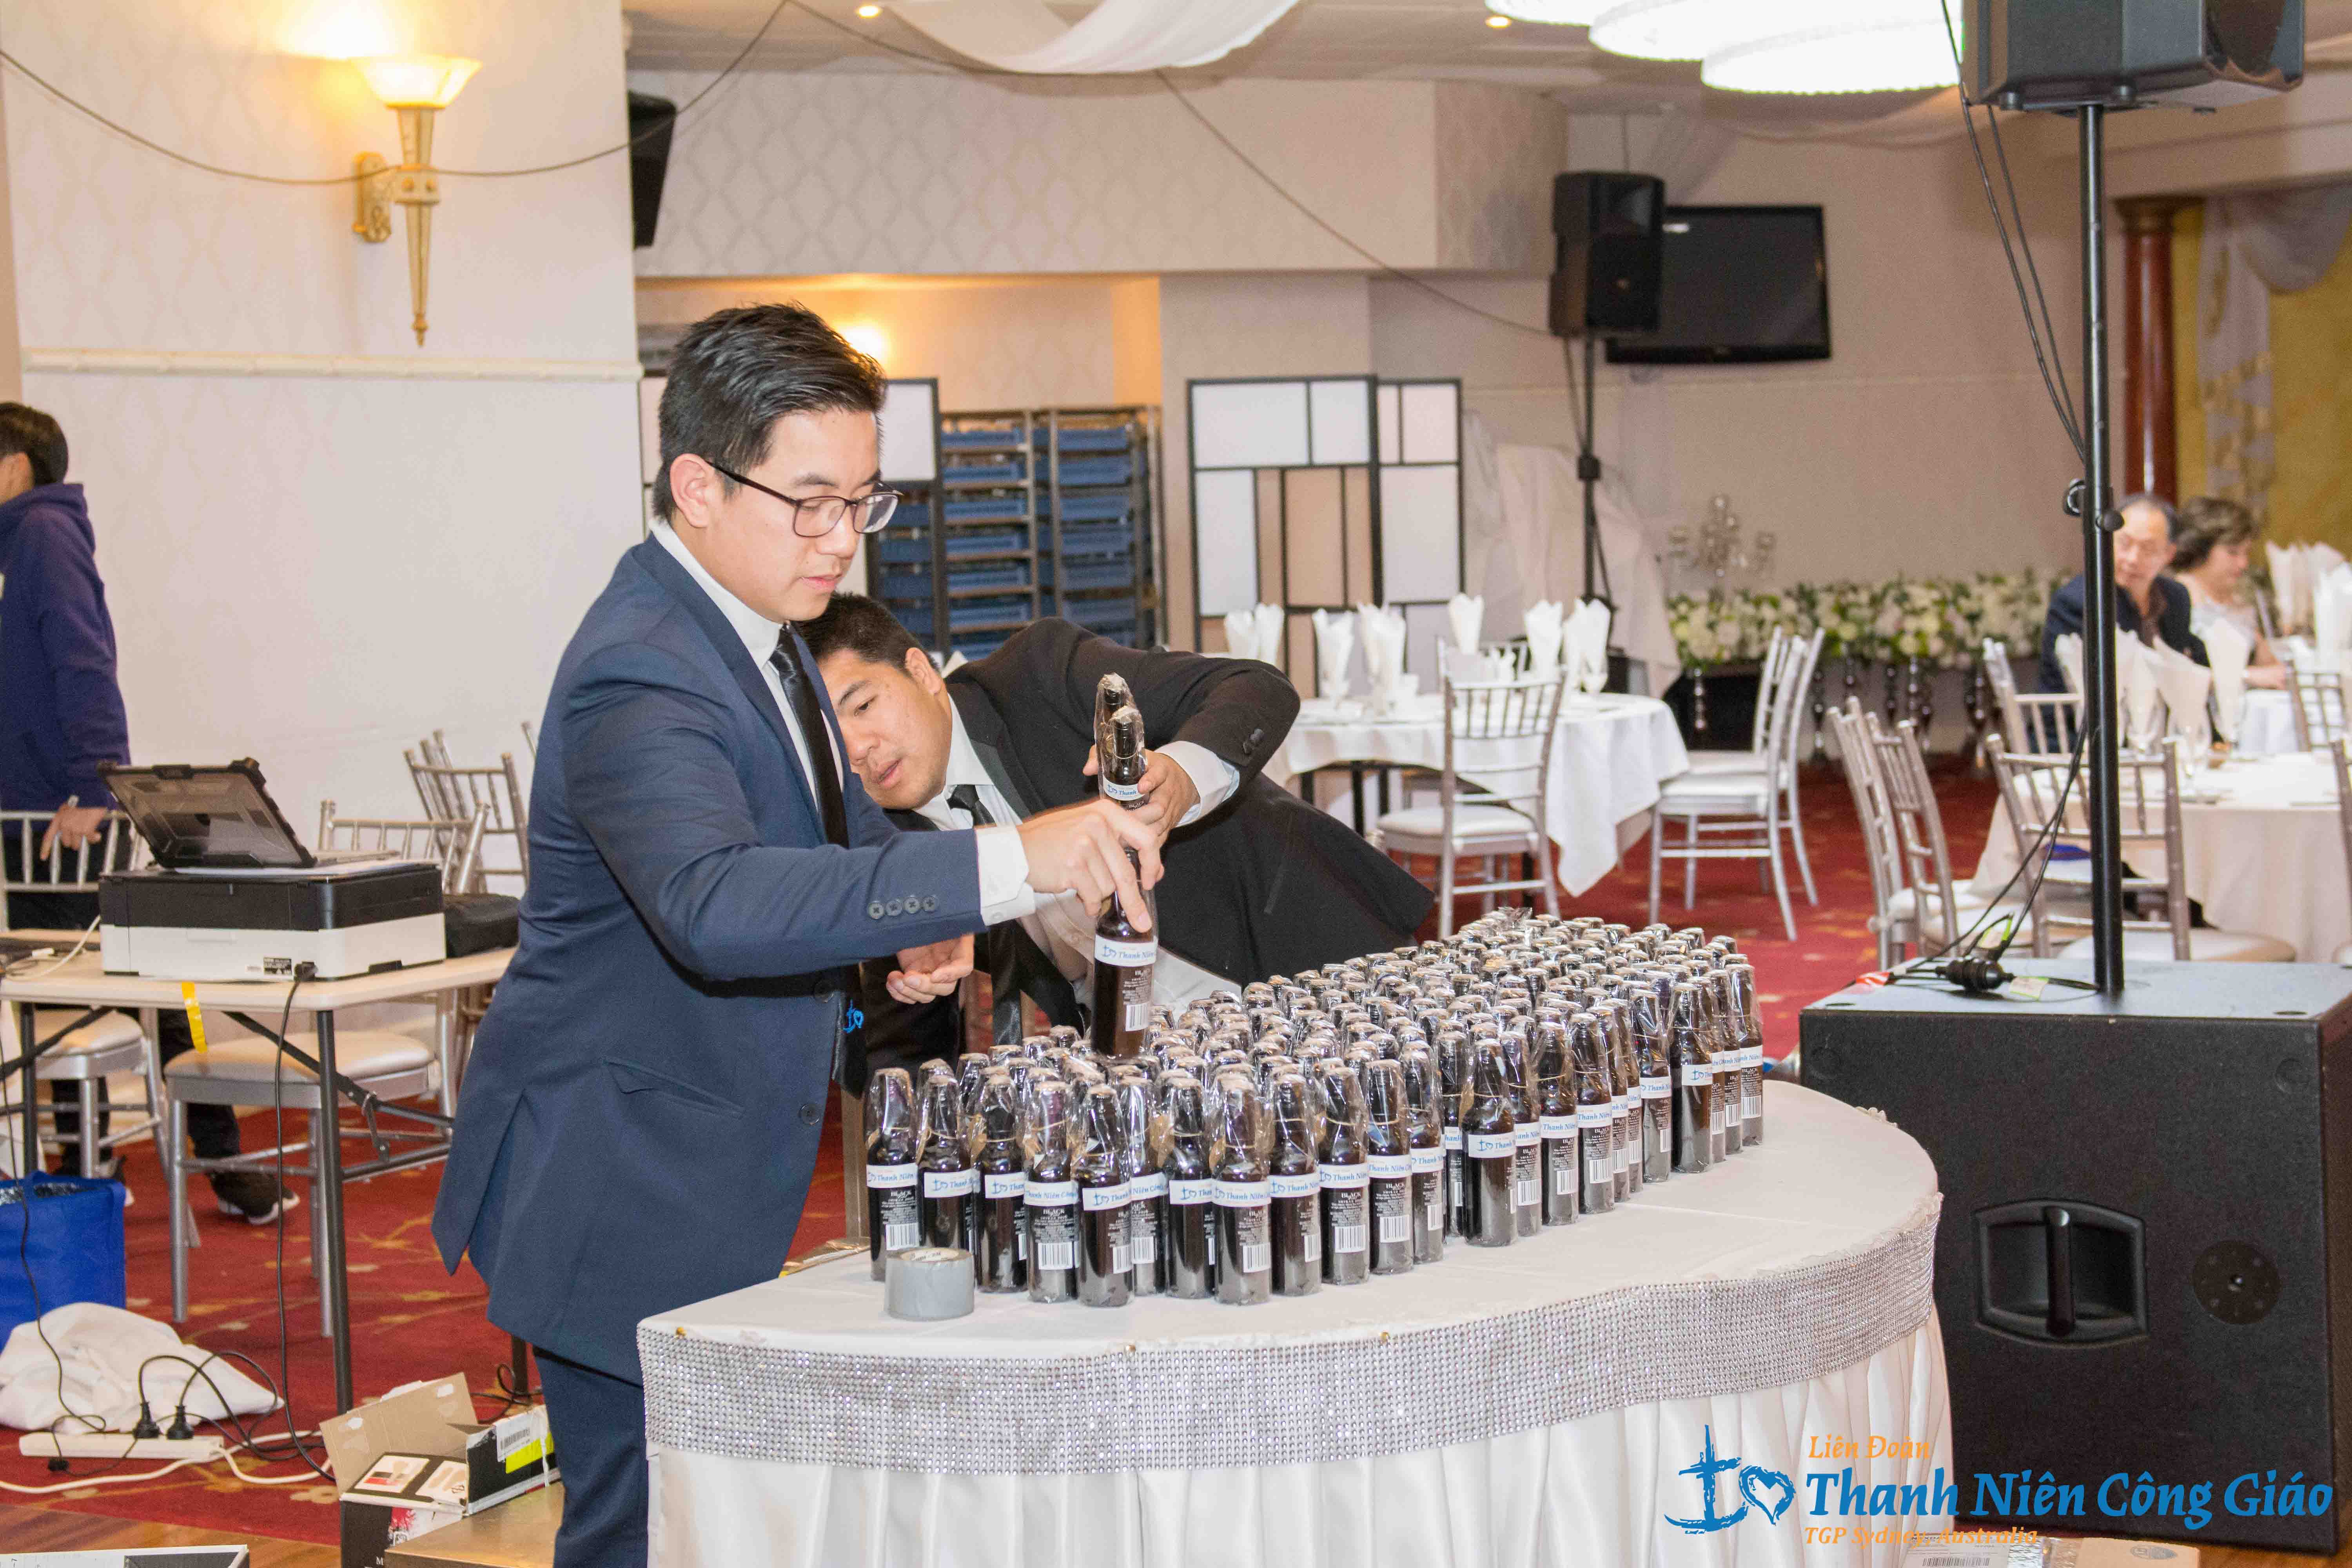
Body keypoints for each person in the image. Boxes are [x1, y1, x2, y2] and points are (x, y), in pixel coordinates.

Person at [428, 305, 1164, 1568]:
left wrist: (923, 924)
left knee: (711, 1517)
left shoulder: (758, 630)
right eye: (811, 503)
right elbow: (715, 904)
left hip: (705, 1154)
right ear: (698, 487)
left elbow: (834, 835)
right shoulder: (640, 665)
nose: (841, 538)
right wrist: (1014, 859)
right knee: (639, 1532)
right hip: (621, 1169)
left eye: (862, 503)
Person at [802, 593, 1437, 1074]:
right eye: (832, 741)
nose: (859, 751)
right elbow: (896, 1047)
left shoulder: (1035, 675)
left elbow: (1255, 688)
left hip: (1303, 966)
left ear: (921, 673)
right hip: (1149, 1058)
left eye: (864, 706)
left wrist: (1182, 779)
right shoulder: (886, 842)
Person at [0, 403, 286, 1221]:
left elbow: (84, 659)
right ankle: (79, 1163)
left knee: (157, 983)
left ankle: (222, 1157)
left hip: (64, 820)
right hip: (30, 821)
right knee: (63, 994)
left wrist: (93, 792)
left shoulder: (43, 534)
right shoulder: (17, 544)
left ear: (16, 465)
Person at [2039, 492, 2209, 691]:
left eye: (2147, 548)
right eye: (2124, 543)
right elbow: (2081, 680)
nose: (2133, 559)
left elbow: (2193, 661)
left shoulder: (2176, 596)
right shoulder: (2079, 601)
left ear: (2169, 554)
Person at [2170, 494, 2289, 688]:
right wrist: (2248, 676)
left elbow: (2270, 666)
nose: (2243, 564)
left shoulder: (2236, 598)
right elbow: (2177, 676)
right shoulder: (2173, 598)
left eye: (2246, 553)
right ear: (2200, 549)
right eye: (2233, 553)